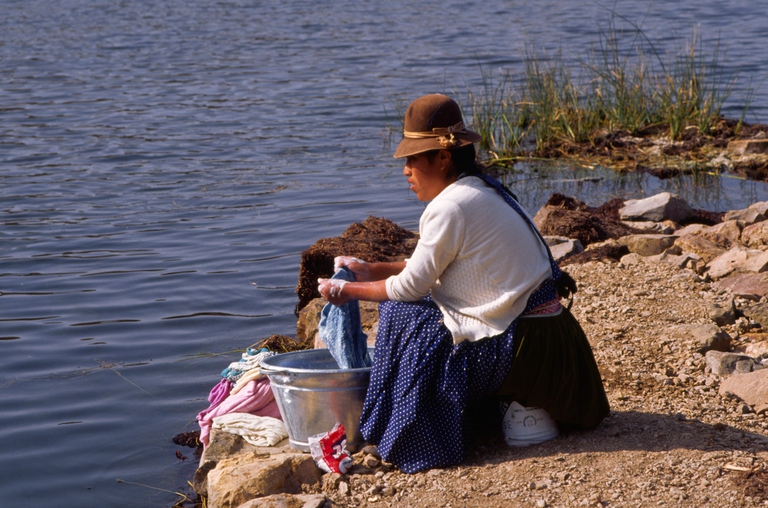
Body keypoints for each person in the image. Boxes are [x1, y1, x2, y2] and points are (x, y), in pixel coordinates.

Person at [318, 93, 609, 473]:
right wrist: (370, 269)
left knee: (404, 317)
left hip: (530, 349)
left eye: (412, 159)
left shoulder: (451, 205)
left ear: (442, 157)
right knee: (412, 311)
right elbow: (429, 266)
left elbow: (410, 288)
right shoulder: (481, 189)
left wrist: (344, 290)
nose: (406, 170)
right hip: (554, 341)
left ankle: (418, 437)